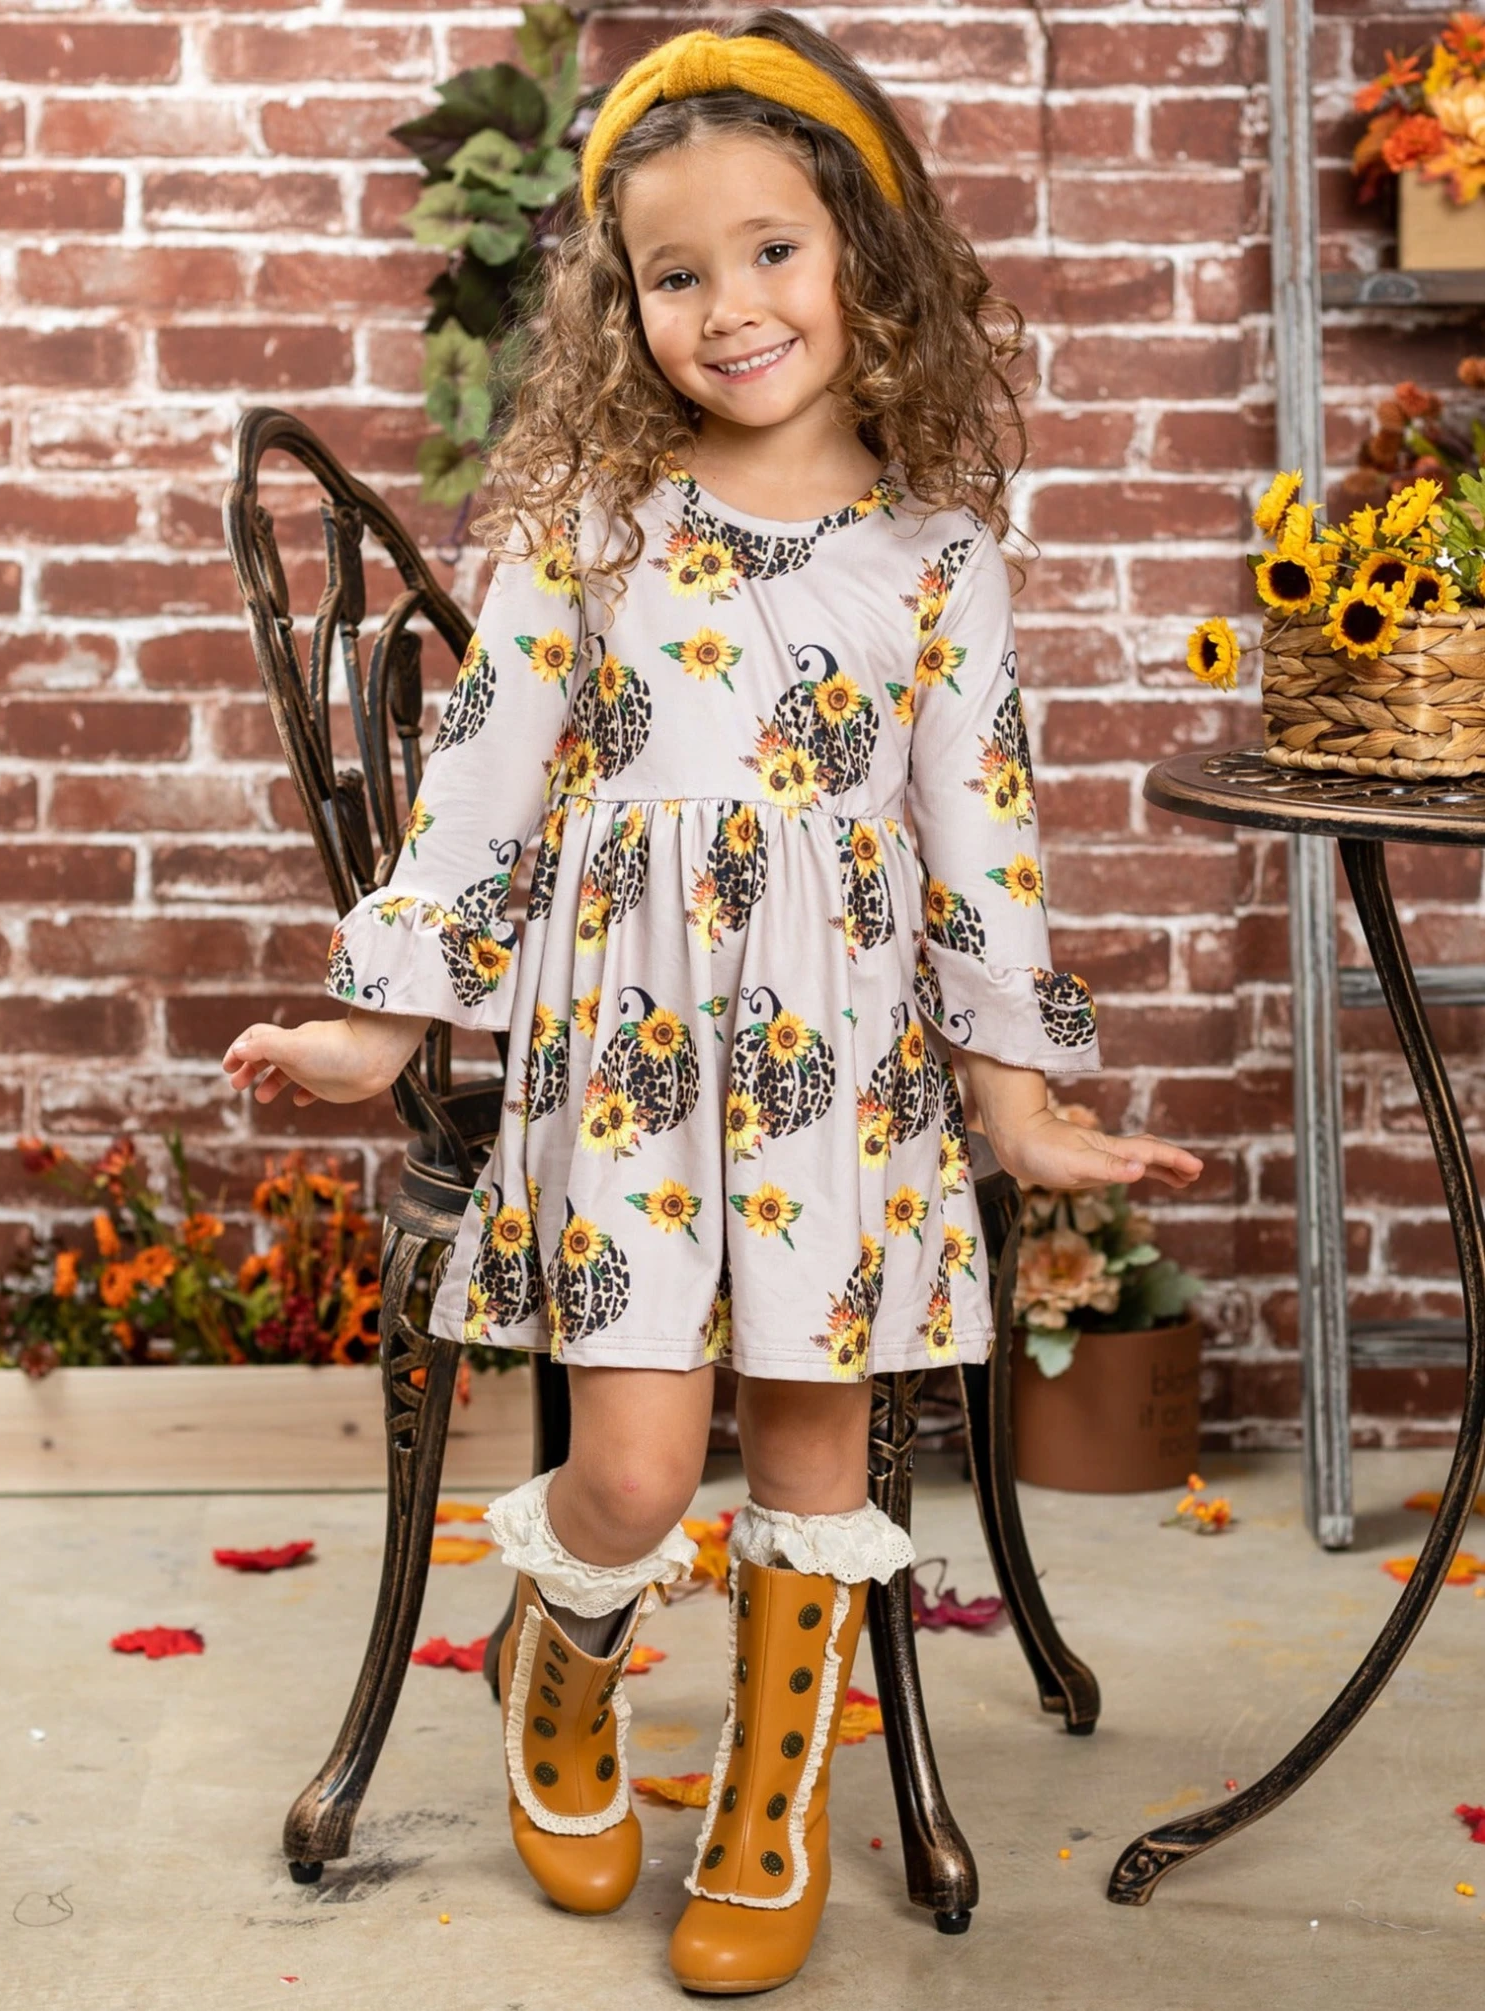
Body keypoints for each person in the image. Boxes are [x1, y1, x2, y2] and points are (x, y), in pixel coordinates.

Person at [224, 10, 1202, 1993]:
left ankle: (774, 1800)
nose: (732, 306)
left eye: (774, 250)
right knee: (639, 1470)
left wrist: (1022, 1102)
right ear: (625, 305)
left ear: (864, 258)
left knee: (818, 1472)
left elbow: (983, 842)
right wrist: (375, 1028)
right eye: (676, 274)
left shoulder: (937, 558)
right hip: (633, 1072)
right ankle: (560, 1665)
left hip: (844, 1070)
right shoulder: (587, 530)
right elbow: (478, 794)